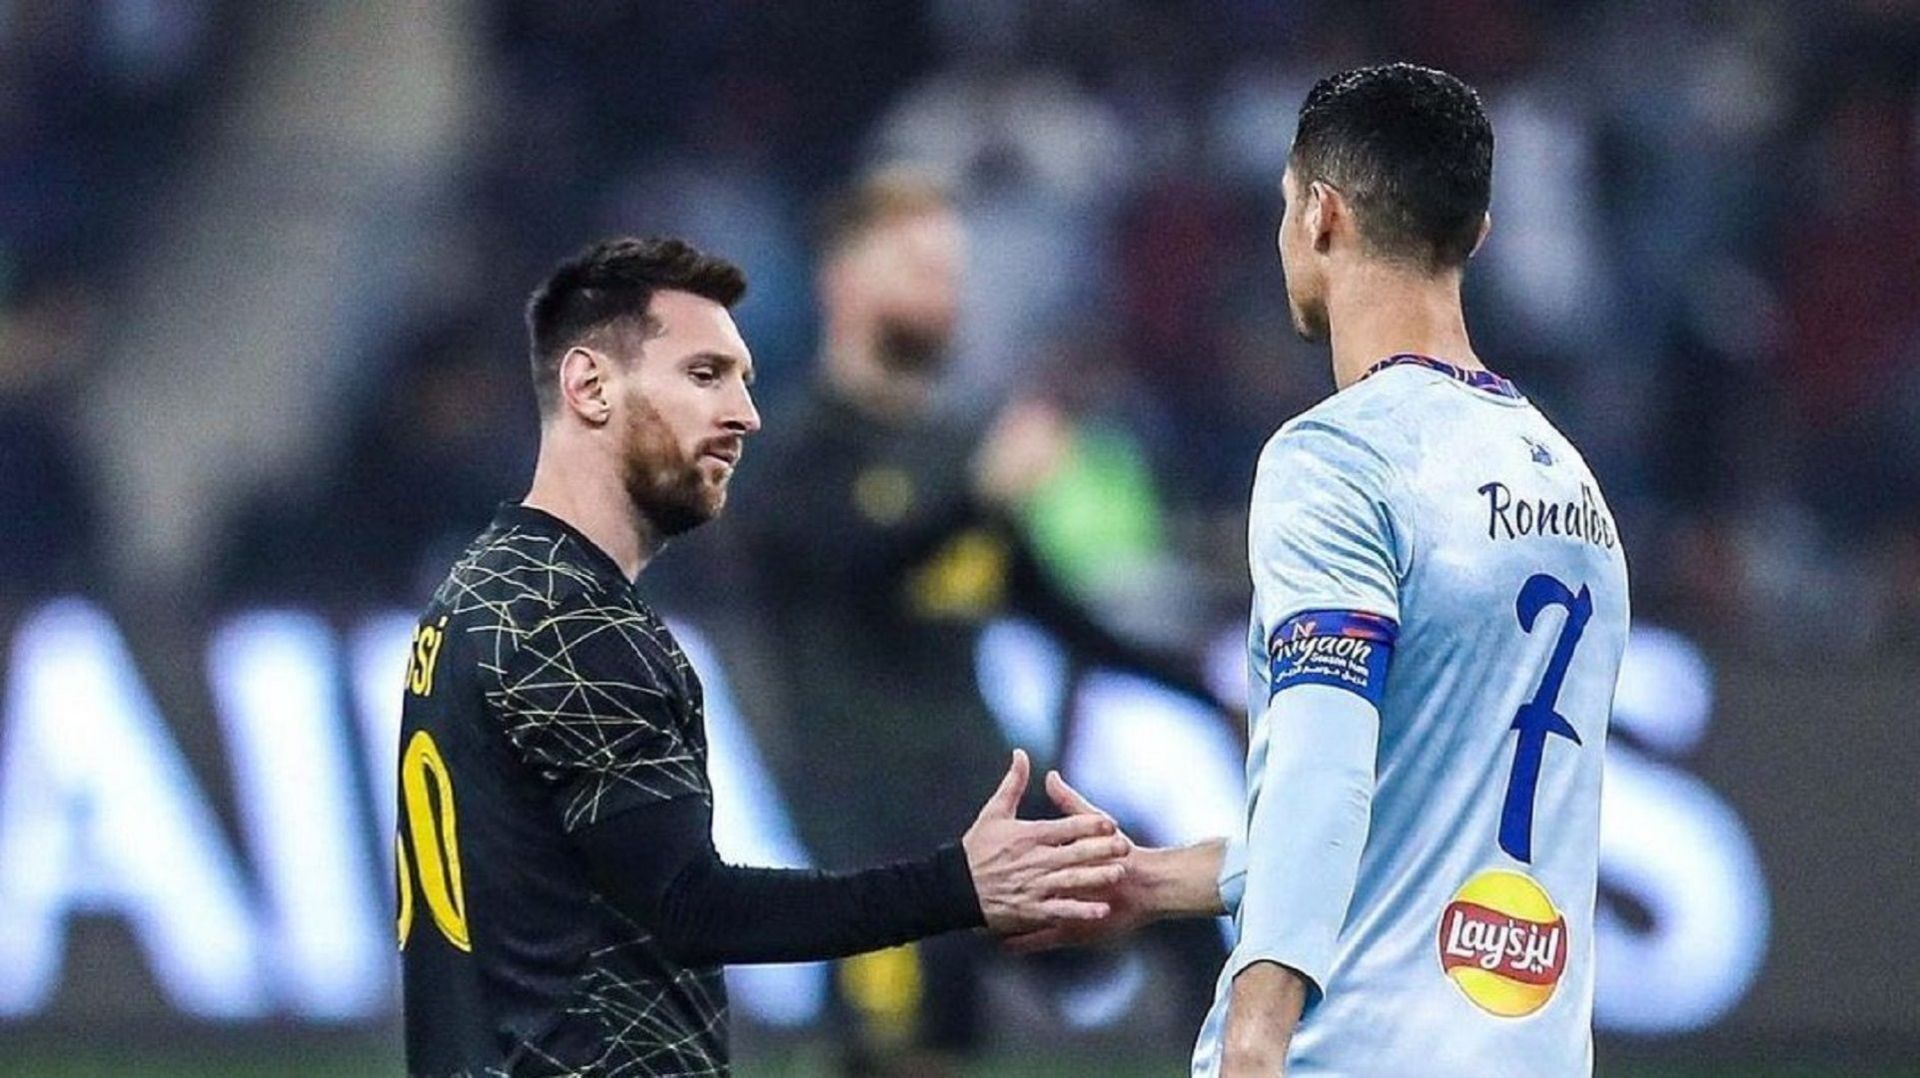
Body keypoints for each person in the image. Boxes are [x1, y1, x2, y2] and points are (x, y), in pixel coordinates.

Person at [1017, 64, 1631, 1077]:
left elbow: (1322, 767)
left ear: (1320, 214)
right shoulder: (1574, 492)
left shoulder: (1338, 459)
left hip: (1354, 1049)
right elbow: (1422, 819)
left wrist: (1257, 1032)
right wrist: (1157, 879)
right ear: (1474, 235)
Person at [393, 236, 1130, 1077]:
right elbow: (696, 909)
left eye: (742, 379)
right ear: (590, 387)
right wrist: (959, 888)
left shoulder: (488, 590)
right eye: (704, 377)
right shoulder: (572, 625)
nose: (743, 414)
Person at [729, 168, 1223, 1066]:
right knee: (907, 1051)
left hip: (989, 799)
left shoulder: (954, 450)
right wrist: (980, 496)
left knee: (1179, 915)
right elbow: (847, 570)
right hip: (872, 841)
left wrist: (1206, 691)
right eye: (918, 266)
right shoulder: (787, 450)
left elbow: (1055, 615)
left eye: (951, 272)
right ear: (844, 278)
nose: (944, 292)